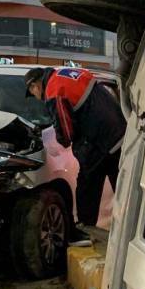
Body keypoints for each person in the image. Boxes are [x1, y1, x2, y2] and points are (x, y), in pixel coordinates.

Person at [24, 66, 126, 236]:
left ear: (35, 85)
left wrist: (60, 140)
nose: (36, 97)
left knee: (87, 185)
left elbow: (65, 129)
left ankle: (85, 230)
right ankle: (138, 230)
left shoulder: (54, 89)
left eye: (32, 92)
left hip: (99, 141)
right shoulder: (69, 74)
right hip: (119, 134)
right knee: (123, 188)